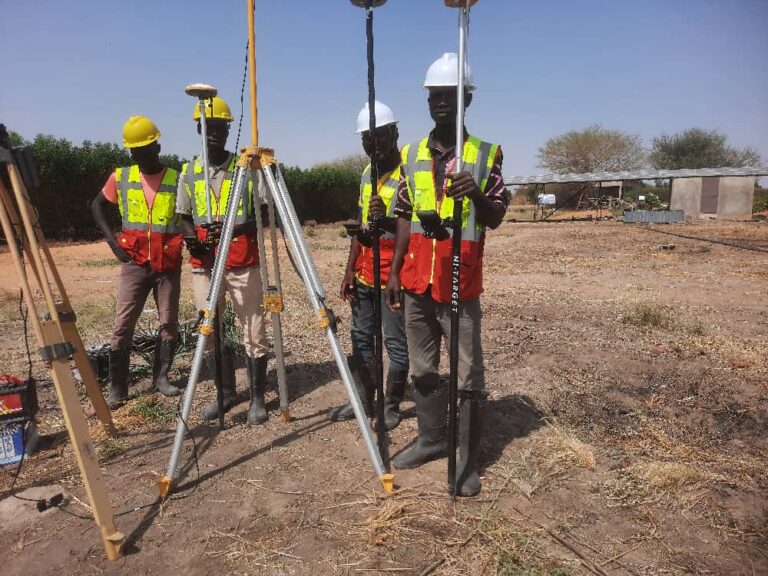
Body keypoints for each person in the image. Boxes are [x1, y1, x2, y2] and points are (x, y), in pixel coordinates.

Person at [384, 53, 509, 497]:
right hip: (417, 281)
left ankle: (467, 460)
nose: (440, 103)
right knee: (422, 369)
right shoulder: (411, 154)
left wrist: (476, 195)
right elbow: (403, 217)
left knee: (467, 375)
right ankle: (432, 439)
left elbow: (495, 217)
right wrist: (394, 272)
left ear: (466, 100)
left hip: (460, 282)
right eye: (434, 96)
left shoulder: (485, 155)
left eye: (449, 95)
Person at [175, 95, 271, 425]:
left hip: (243, 261)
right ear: (199, 130)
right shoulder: (189, 171)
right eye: (209, 128)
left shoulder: (246, 168)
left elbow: (264, 214)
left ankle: (257, 399)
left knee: (254, 331)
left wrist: (233, 227)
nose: (215, 134)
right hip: (205, 265)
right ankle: (225, 393)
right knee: (209, 329)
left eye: (221, 128)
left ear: (228, 131)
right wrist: (193, 240)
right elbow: (184, 216)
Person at [91, 116, 184, 409]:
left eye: (145, 149)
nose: (140, 156)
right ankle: (118, 387)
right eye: (135, 151)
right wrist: (113, 242)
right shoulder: (121, 177)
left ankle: (161, 377)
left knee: (168, 322)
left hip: (167, 264)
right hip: (135, 262)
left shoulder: (177, 179)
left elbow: (190, 217)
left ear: (157, 146)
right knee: (123, 324)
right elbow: (96, 206)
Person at [329, 101, 409, 430]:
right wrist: (349, 270)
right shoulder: (366, 174)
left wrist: (385, 220)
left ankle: (391, 406)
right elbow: (361, 226)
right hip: (365, 273)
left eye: (378, 136)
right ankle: (363, 400)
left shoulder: (409, 173)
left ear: (394, 133)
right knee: (361, 337)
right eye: (365, 138)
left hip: (395, 276)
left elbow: (412, 228)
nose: (371, 143)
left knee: (396, 342)